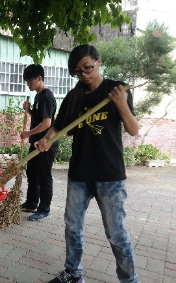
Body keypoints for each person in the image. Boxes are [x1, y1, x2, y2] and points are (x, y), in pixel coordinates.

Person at [37, 45, 140, 283]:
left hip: (109, 174)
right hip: (80, 172)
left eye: (88, 68)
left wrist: (121, 103)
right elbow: (59, 126)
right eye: (78, 71)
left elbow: (133, 130)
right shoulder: (74, 96)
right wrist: (46, 139)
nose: (84, 74)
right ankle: (73, 273)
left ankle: (130, 280)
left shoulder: (116, 89)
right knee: (72, 227)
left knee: (116, 234)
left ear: (98, 62)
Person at [20, 64, 59, 221]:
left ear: (39, 78)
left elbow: (46, 123)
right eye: (26, 82)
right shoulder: (38, 96)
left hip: (46, 144)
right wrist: (29, 110)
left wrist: (28, 133)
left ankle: (44, 209)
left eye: (30, 81)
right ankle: (31, 203)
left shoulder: (47, 97)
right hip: (35, 143)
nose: (28, 84)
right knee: (32, 174)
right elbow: (38, 117)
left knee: (44, 177)